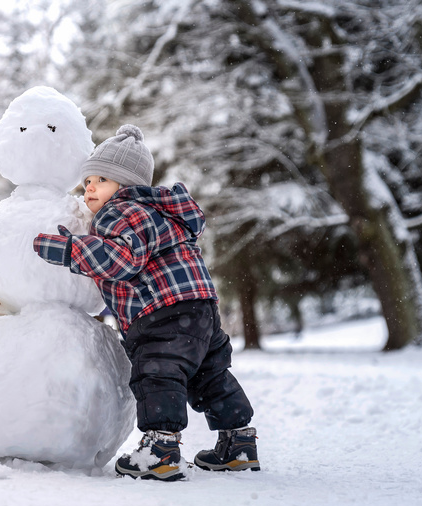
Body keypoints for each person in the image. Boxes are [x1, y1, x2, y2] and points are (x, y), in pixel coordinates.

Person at [32, 124, 259, 481]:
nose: (89, 187)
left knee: (158, 372)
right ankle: (239, 442)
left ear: (125, 186)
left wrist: (70, 248)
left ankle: (160, 449)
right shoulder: (162, 214)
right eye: (87, 179)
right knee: (208, 374)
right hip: (200, 311)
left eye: (101, 179)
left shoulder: (122, 212)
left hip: (162, 311)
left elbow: (122, 260)